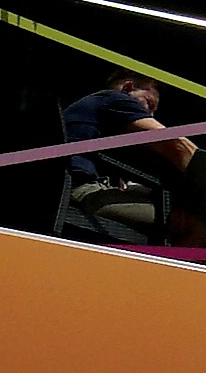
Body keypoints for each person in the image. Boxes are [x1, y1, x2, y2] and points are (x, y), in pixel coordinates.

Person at [53, 73, 197, 246]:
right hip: (77, 189)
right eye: (149, 104)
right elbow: (177, 145)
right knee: (191, 224)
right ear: (128, 88)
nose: (150, 114)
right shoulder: (113, 99)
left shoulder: (99, 117)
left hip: (74, 185)